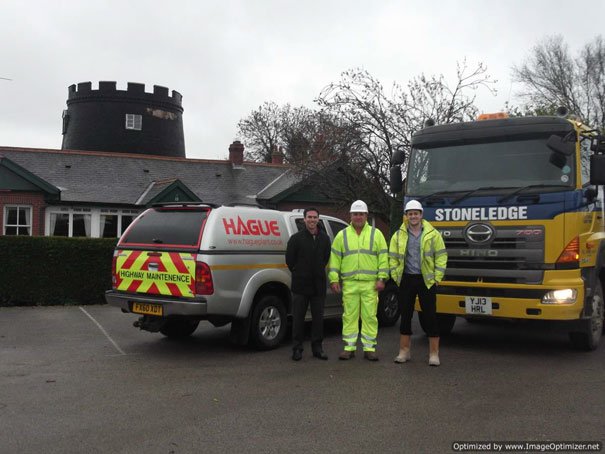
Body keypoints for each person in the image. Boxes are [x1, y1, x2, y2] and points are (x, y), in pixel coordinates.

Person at [328, 200, 389, 361]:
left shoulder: (376, 234)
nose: (358, 217)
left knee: (370, 316)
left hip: (371, 284)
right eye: (355, 214)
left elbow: (383, 258)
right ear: (351, 215)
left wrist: (382, 278)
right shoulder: (342, 235)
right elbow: (335, 258)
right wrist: (334, 279)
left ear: (366, 215)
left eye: (361, 214)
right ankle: (349, 347)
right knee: (349, 316)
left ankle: (369, 348)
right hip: (350, 283)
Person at [389, 200, 447, 366]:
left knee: (430, 315)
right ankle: (404, 351)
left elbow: (441, 256)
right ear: (406, 216)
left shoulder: (432, 234)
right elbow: (392, 256)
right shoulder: (399, 235)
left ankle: (434, 353)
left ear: (421, 215)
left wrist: (437, 277)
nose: (413, 216)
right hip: (406, 279)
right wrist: (395, 274)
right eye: (410, 214)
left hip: (426, 280)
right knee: (405, 314)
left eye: (416, 213)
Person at [286, 207, 332, 361]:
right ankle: (297, 349)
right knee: (298, 319)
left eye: (314, 217)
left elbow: (325, 258)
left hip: (318, 286)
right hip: (300, 286)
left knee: (318, 320)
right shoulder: (296, 239)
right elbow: (289, 261)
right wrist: (300, 272)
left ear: (318, 219)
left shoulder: (325, 239)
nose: (312, 220)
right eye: (309, 217)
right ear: (304, 219)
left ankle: (317, 348)